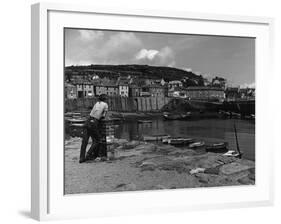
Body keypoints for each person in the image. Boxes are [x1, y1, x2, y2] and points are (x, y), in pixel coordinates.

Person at [79, 94, 108, 163]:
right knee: (97, 140)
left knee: (84, 141)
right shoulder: (105, 104)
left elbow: (92, 112)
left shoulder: (96, 103)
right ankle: (88, 154)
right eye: (106, 98)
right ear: (105, 99)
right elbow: (103, 115)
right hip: (93, 123)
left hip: (87, 121)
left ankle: (81, 158)